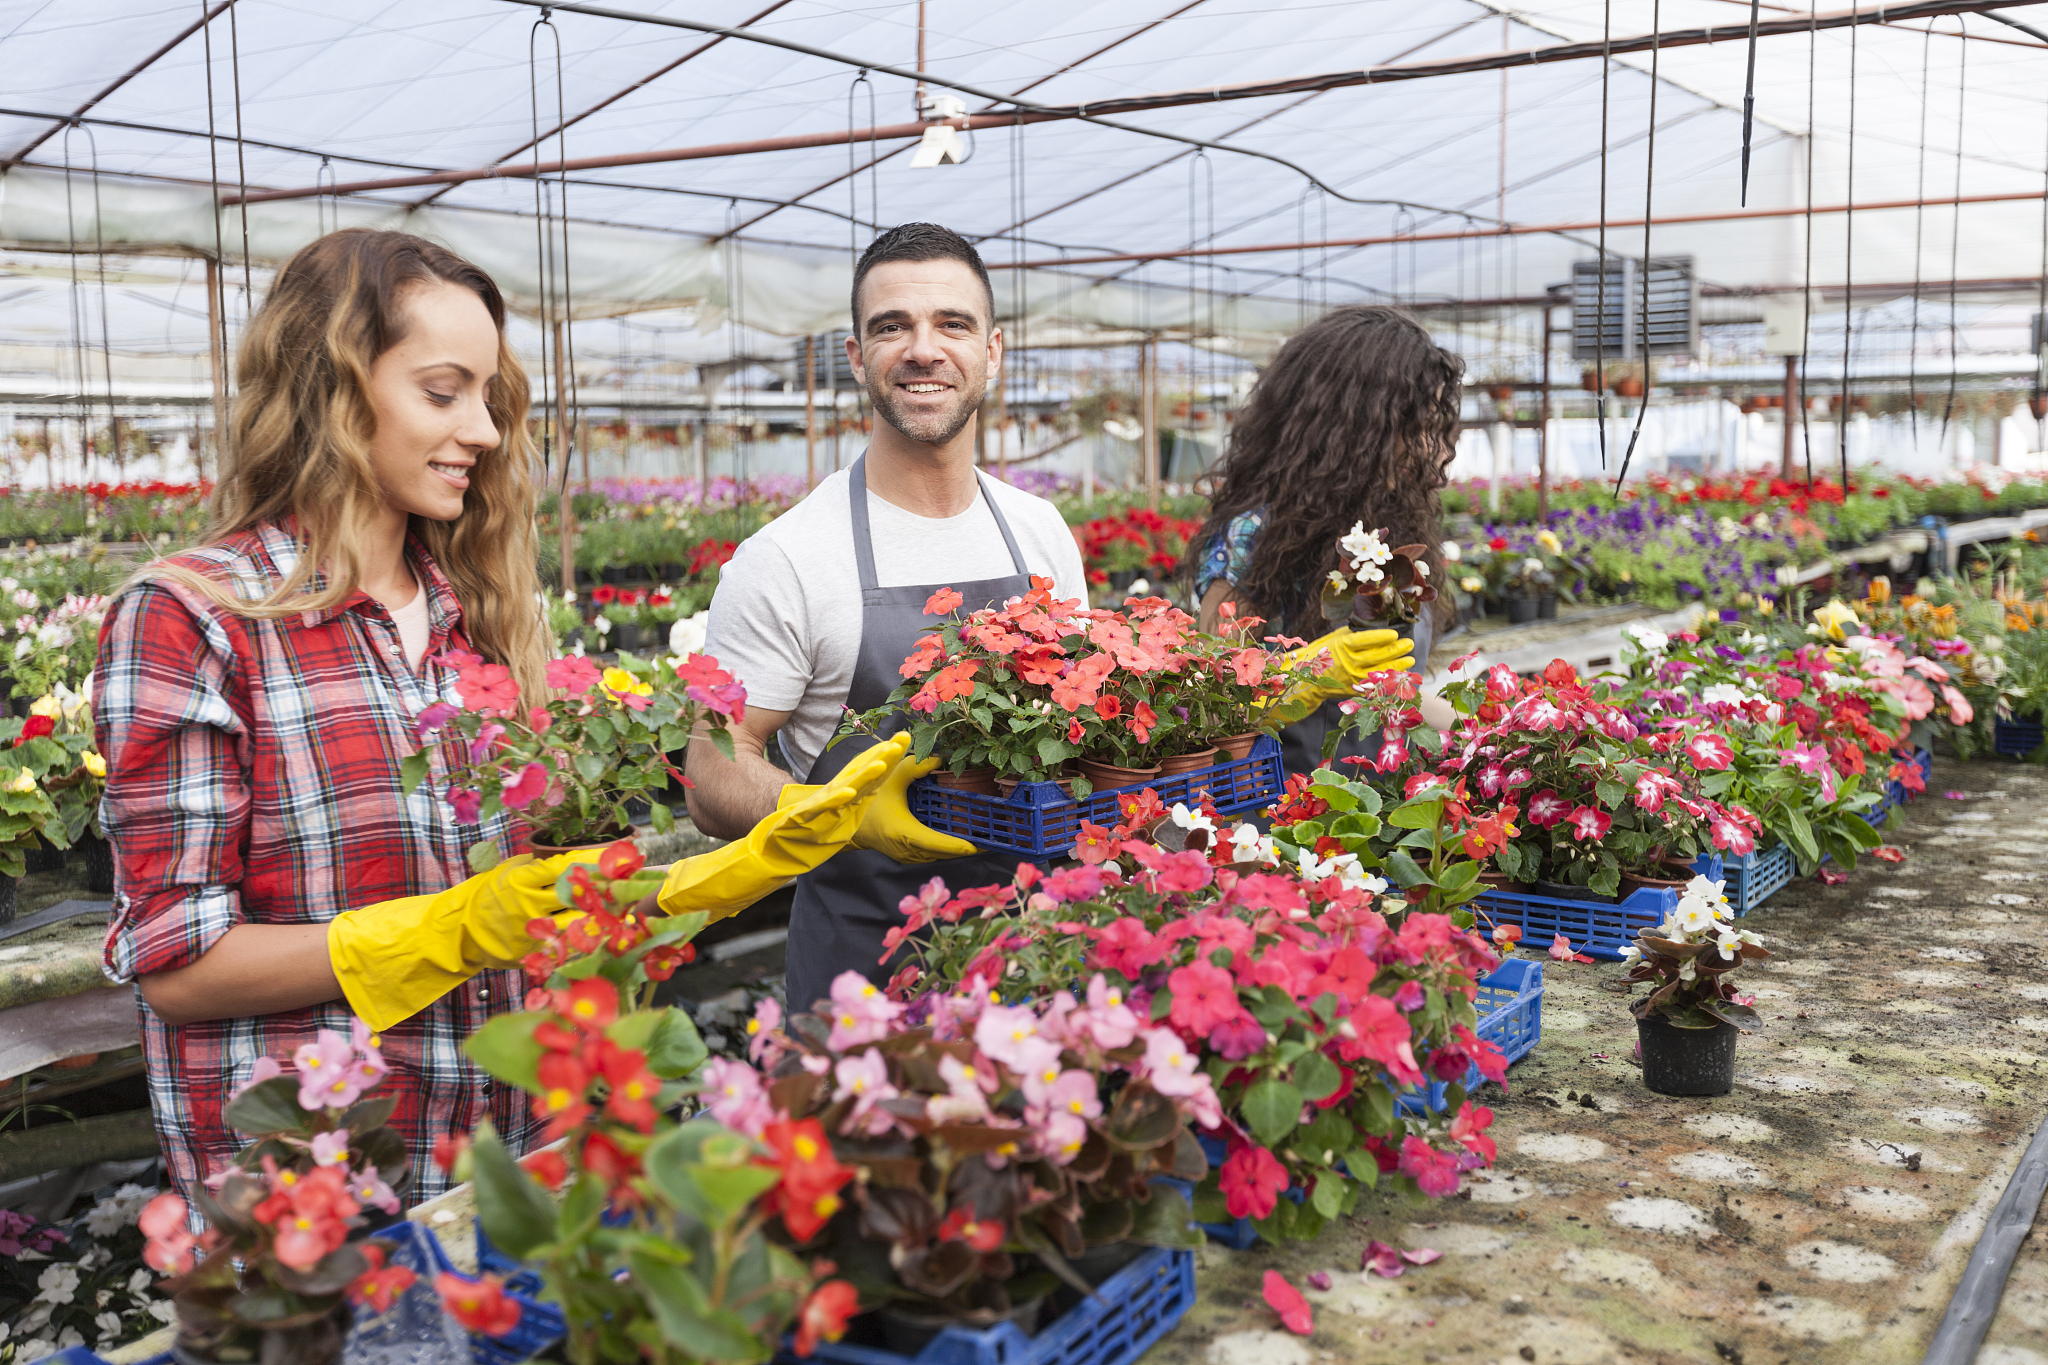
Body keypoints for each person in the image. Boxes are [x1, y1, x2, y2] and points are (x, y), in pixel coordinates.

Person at [94, 228, 907, 1203]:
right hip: (320, 1190)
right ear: (330, 391)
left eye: (488, 396)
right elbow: (177, 965)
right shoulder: (194, 618)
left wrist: (728, 870)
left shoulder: (478, 613)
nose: (482, 430)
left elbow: (530, 908)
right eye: (443, 392)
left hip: (514, 1160)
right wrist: (443, 930)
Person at [686, 223, 1088, 1015]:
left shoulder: (1039, 528)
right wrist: (832, 812)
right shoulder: (791, 556)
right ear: (855, 356)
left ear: (994, 351)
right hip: (860, 994)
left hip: (1038, 972)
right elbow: (710, 768)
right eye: (891, 326)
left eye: (952, 323)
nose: (923, 349)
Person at [1190, 304, 1462, 772]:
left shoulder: (1385, 535)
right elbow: (1212, 705)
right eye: (1414, 427)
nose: (1429, 449)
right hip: (1282, 819)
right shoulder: (1254, 537)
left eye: (1433, 428)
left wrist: (1485, 730)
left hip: (1376, 805)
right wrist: (1309, 673)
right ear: (1353, 427)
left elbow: (1394, 690)